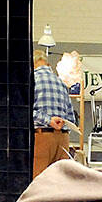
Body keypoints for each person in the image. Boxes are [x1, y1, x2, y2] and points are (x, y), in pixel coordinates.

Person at [32, 49, 78, 178]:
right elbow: (70, 117)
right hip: (63, 139)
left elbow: (25, 112)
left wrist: (49, 120)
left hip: (41, 137)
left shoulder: (31, 80)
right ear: (47, 65)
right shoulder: (61, 83)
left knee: (38, 182)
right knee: (59, 182)